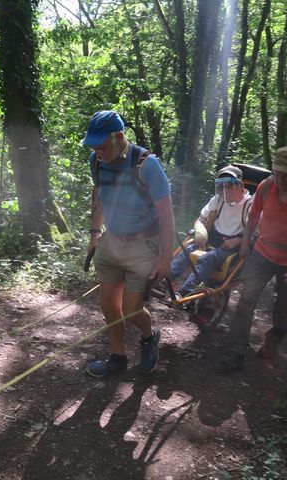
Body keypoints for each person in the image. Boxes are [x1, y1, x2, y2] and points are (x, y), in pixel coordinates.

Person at [83, 110, 175, 377]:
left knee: (131, 309)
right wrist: (94, 234)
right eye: (93, 147)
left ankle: (149, 335)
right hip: (111, 241)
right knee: (109, 305)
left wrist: (165, 259)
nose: (97, 152)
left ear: (119, 136)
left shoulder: (147, 165)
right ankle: (117, 357)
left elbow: (166, 215)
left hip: (143, 245)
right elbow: (100, 196)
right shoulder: (97, 161)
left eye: (101, 146)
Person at [221, 146, 287, 371]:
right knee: (245, 300)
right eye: (277, 172)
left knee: (283, 308)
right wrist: (246, 242)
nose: (280, 179)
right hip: (262, 253)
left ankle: (273, 340)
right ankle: (235, 352)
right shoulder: (266, 186)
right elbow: (253, 217)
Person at [165, 165, 252, 300]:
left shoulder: (250, 205)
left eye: (229, 185)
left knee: (207, 258)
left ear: (240, 184)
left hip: (231, 248)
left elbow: (257, 235)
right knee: (187, 251)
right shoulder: (217, 199)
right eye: (220, 185)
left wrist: (238, 240)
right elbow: (200, 220)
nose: (224, 190)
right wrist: (200, 233)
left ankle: (183, 293)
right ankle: (163, 281)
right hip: (212, 239)